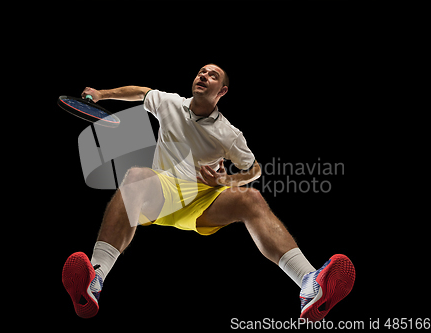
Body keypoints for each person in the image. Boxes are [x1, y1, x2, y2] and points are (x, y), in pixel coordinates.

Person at [62, 64, 355, 322]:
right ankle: (95, 278)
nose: (203, 75)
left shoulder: (229, 134)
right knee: (137, 175)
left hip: (201, 201)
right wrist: (102, 94)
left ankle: (309, 282)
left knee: (250, 197)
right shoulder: (169, 103)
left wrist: (226, 180)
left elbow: (254, 170)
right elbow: (141, 92)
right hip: (160, 194)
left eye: (212, 75)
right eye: (202, 71)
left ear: (222, 90)